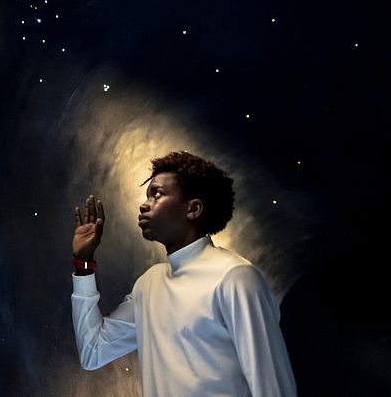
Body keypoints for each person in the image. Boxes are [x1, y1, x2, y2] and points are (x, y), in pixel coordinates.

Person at [70, 150, 297, 396]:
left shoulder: (235, 277)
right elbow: (93, 352)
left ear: (193, 209)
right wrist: (83, 263)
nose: (145, 204)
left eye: (157, 194)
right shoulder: (148, 285)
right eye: (147, 196)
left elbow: (273, 387)